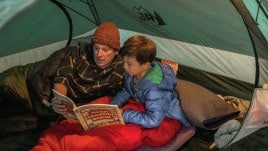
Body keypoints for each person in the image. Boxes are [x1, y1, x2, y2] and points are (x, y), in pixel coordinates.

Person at [30, 35, 190, 151]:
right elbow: (127, 90)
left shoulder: (156, 90)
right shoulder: (133, 72)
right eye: (124, 61)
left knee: (104, 140)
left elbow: (154, 120)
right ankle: (50, 141)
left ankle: (65, 145)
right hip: (137, 105)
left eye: (129, 64)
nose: (124, 67)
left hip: (158, 117)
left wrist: (123, 114)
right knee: (84, 117)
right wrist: (113, 106)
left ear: (145, 65)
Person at [48, 22, 125, 116]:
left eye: (105, 50)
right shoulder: (79, 51)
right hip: (46, 84)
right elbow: (63, 78)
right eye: (96, 48)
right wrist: (60, 101)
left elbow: (120, 94)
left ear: (116, 51)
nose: (99, 54)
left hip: (80, 105)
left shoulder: (120, 69)